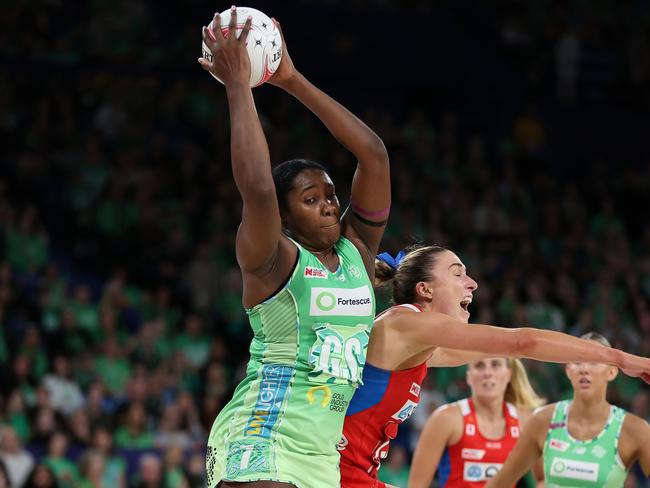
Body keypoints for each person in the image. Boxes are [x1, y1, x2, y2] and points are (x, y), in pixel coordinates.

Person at [199, 7, 390, 488]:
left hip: (321, 454)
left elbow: (373, 154)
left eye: (330, 195)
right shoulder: (273, 260)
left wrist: (291, 79)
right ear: (285, 219)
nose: (329, 206)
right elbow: (259, 188)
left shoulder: (357, 253)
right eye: (311, 199)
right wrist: (239, 88)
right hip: (262, 436)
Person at [337, 245, 650, 488]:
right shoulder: (404, 323)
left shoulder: (417, 344)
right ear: (425, 289)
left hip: (351, 475)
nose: (472, 283)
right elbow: (522, 343)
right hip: (333, 475)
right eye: (458, 274)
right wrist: (623, 359)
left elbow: (511, 350)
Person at [486, 332, 650, 488]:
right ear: (568, 370)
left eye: (594, 362)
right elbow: (499, 483)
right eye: (577, 361)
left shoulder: (634, 429)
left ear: (612, 371)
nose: (584, 369)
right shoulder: (542, 420)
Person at [408, 357, 543, 487]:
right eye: (479, 365)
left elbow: (543, 480)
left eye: (495, 365)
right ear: (469, 376)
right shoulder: (445, 419)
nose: (487, 373)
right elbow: (416, 486)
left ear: (508, 374)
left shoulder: (525, 421)